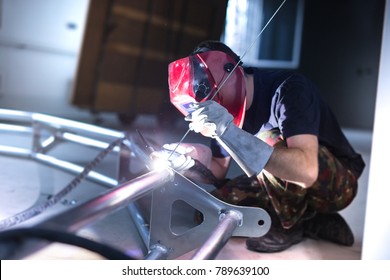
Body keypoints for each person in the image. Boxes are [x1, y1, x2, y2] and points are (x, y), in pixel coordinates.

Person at [159, 40, 365, 253]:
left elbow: (307, 170)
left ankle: (291, 225)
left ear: (233, 70)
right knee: (214, 211)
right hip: (281, 184)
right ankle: (313, 220)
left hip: (334, 185)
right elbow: (219, 169)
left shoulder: (289, 89)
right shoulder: (224, 108)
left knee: (267, 139)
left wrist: (228, 132)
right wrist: (191, 160)